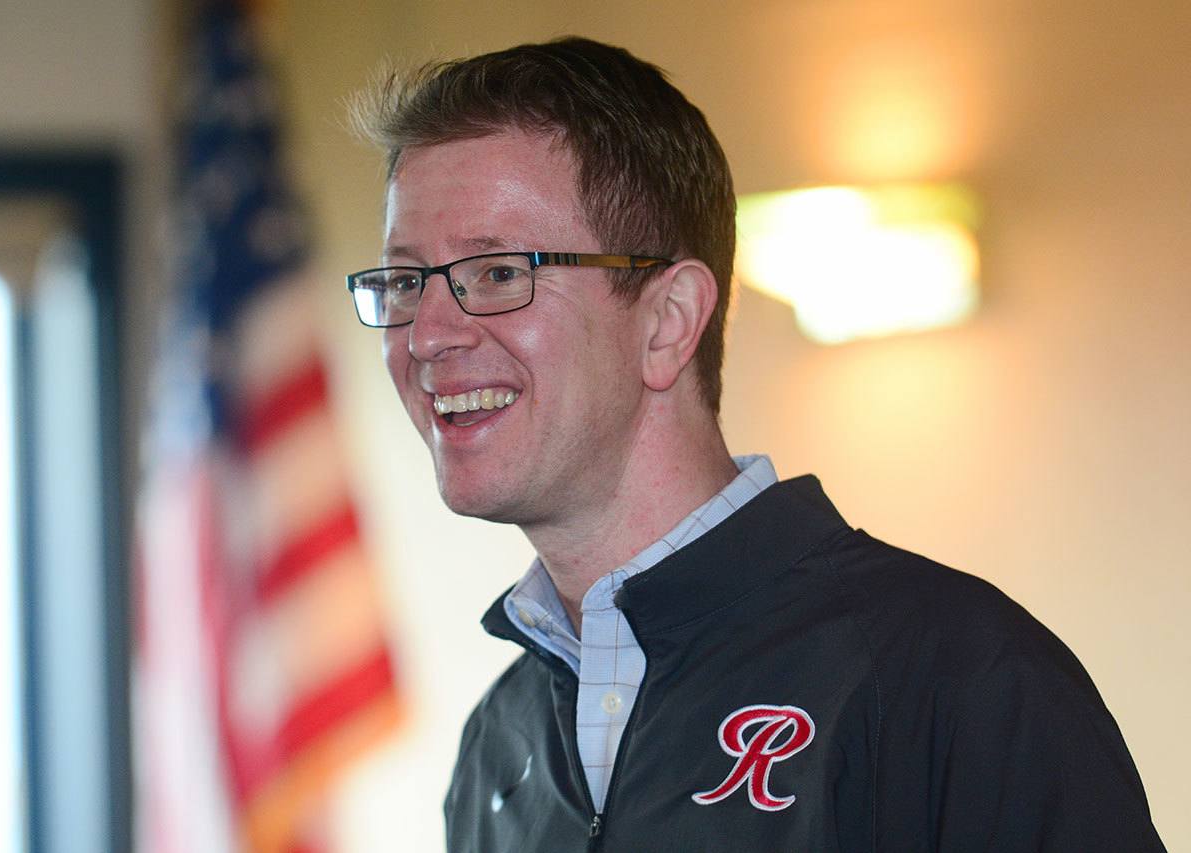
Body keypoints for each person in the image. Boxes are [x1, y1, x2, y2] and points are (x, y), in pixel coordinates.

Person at [346, 37, 1165, 852]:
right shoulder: (497, 746)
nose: (426, 334)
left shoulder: (957, 677)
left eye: (496, 273)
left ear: (668, 323)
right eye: (405, 281)